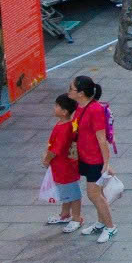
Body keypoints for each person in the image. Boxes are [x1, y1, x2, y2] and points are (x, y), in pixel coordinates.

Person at [68, 78, 116, 241]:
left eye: (71, 88)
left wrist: (106, 163)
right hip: (85, 157)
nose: (69, 91)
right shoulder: (80, 107)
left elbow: (101, 139)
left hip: (95, 160)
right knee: (98, 193)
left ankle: (110, 227)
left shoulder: (95, 110)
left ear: (81, 93)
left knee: (94, 194)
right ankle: (101, 223)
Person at [42, 94, 84, 230]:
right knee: (66, 192)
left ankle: (77, 218)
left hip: (65, 167)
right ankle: (65, 214)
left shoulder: (64, 128)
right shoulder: (64, 124)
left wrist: (47, 159)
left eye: (57, 106)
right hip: (62, 167)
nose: (54, 108)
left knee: (73, 193)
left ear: (64, 111)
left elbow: (56, 149)